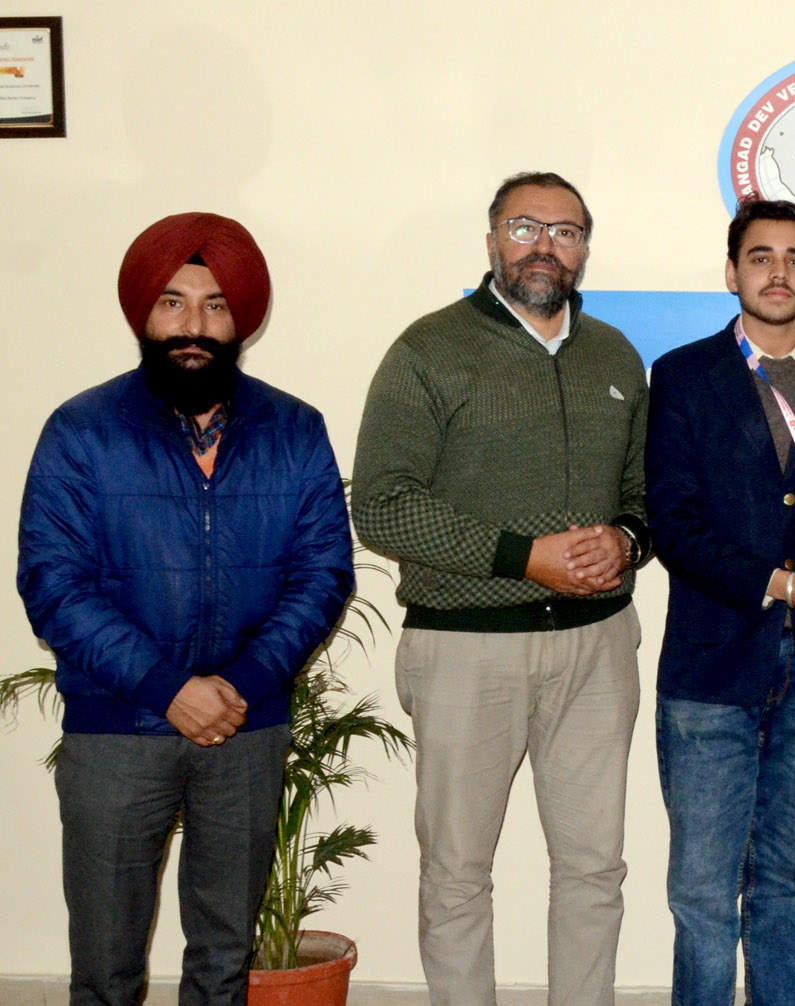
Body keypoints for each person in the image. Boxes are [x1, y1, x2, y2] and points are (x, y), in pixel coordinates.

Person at [17, 213, 353, 1005]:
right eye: (172, 302)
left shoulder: (294, 429)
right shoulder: (82, 431)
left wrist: (243, 683)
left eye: (215, 305)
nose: (193, 326)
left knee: (224, 960)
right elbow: (54, 583)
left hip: (247, 726)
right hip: (117, 728)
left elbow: (322, 574)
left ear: (242, 319)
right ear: (144, 312)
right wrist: (168, 688)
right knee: (106, 964)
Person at [352, 171, 651, 1006]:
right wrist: (525, 557)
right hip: (464, 649)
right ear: (492, 241)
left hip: (596, 647)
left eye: (565, 232)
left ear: (584, 249)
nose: (544, 247)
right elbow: (380, 505)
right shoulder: (428, 349)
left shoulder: (615, 355)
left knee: (595, 867)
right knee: (457, 870)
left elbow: (643, 494)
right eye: (525, 227)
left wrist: (626, 542)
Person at [644, 197, 795, 1006]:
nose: (778, 272)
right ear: (732, 272)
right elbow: (672, 524)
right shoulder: (682, 375)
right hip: (713, 663)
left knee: (793, 881)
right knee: (703, 890)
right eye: (760, 256)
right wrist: (780, 584)